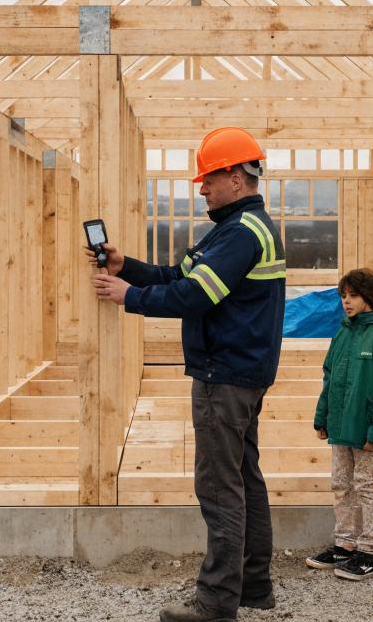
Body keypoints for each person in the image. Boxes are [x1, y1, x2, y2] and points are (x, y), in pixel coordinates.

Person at [89, 128, 286, 622]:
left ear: (236, 178)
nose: (201, 188)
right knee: (244, 477)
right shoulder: (239, 227)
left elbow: (196, 297)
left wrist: (126, 297)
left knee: (219, 486)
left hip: (226, 374)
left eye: (208, 179)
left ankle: (217, 602)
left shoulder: (241, 233)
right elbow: (184, 277)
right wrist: (128, 267)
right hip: (243, 370)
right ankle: (254, 585)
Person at [307, 268, 373, 582]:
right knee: (341, 485)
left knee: (365, 486)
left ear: (370, 297)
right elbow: (329, 377)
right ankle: (345, 544)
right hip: (340, 427)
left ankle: (367, 552)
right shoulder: (343, 331)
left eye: (353, 296)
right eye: (343, 296)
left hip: (365, 431)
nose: (346, 302)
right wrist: (322, 417)